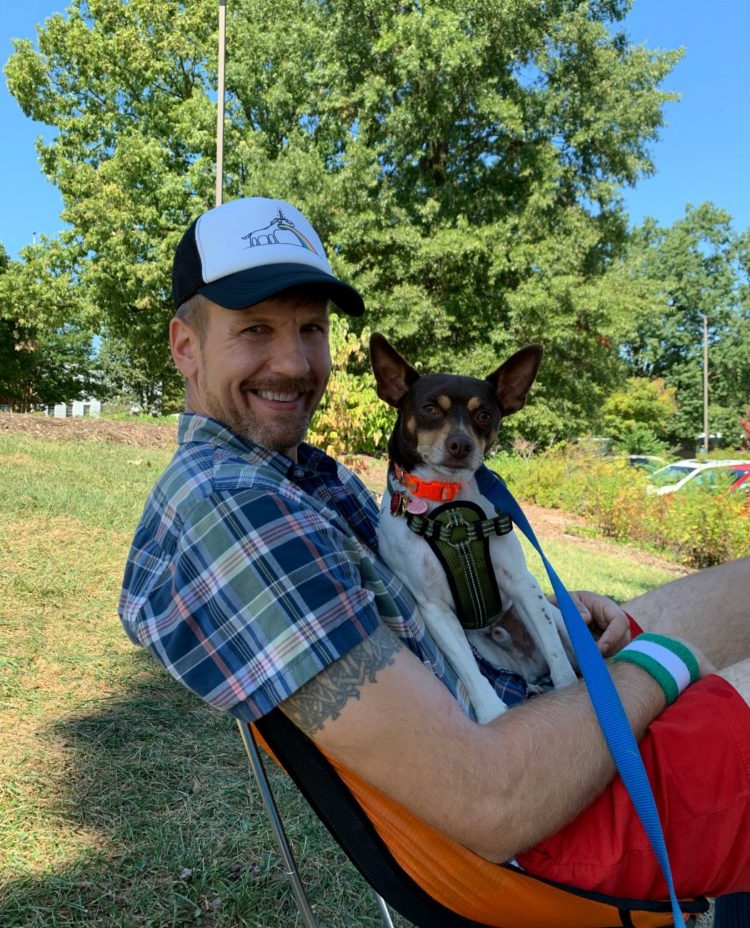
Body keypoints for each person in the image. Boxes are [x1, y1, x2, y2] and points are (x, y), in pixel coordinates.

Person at [119, 196, 750, 920]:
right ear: (185, 347)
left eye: (311, 329)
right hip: (575, 811)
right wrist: (662, 665)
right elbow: (491, 799)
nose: (294, 362)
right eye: (255, 329)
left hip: (557, 714)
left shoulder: (291, 478)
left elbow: (437, 603)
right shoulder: (230, 506)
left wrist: (547, 617)